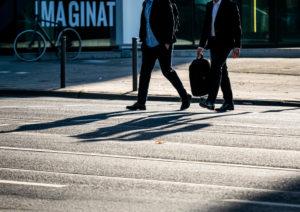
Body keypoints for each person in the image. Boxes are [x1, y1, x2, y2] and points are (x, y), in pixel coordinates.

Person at [126, 0, 191, 111]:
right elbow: (145, 22)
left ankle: (185, 97)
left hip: (162, 43)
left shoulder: (163, 2)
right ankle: (141, 103)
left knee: (167, 71)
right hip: (148, 44)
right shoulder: (146, 3)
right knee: (144, 73)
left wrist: (167, 42)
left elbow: (171, 21)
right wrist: (143, 38)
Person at [197, 0, 242, 112]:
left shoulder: (230, 4)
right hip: (213, 43)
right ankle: (228, 102)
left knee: (215, 69)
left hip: (226, 43)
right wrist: (201, 45)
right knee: (222, 72)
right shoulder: (209, 5)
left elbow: (237, 25)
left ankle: (211, 101)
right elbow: (206, 26)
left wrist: (237, 45)